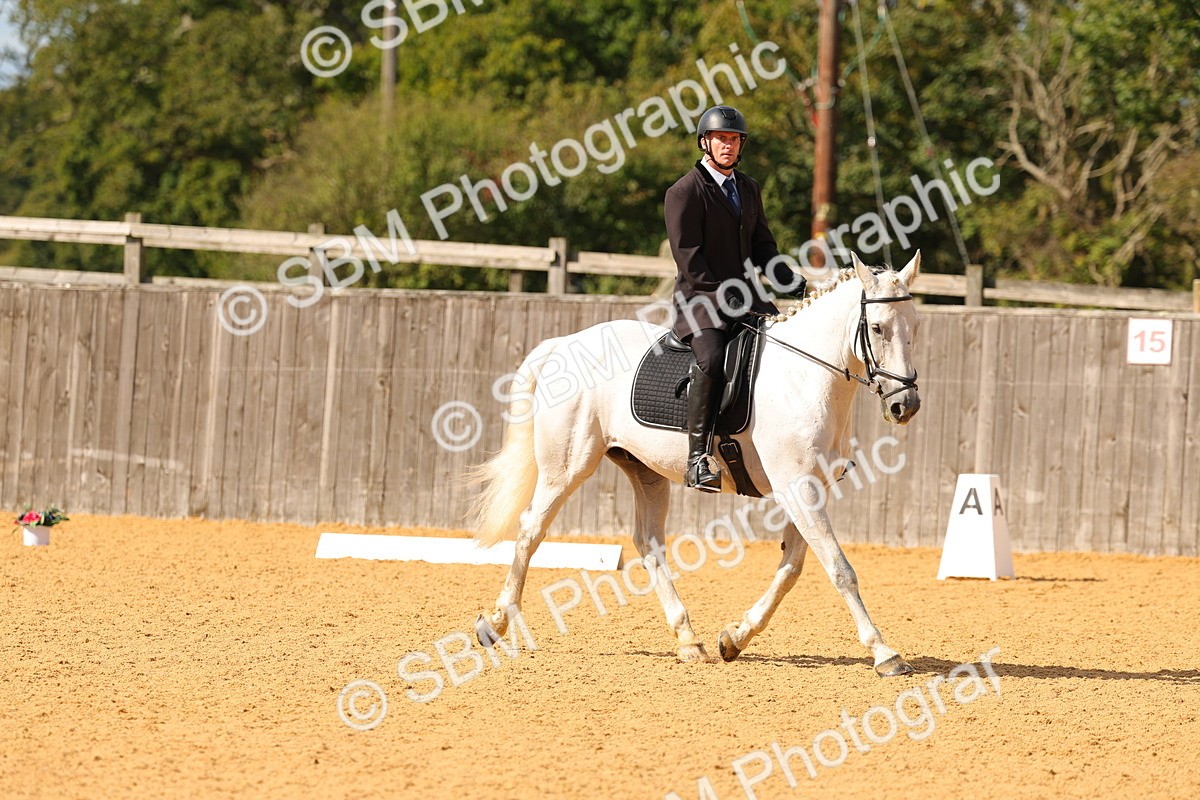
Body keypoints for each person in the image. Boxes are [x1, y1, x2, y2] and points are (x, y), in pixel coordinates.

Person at [664, 105, 807, 492]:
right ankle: (697, 458)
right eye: (721, 139)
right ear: (705, 142)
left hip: (748, 298)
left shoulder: (747, 188)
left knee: (788, 346)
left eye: (734, 139)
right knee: (711, 360)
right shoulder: (683, 192)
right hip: (701, 302)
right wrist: (728, 298)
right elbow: (690, 261)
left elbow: (763, 246)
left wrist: (790, 280)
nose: (728, 145)